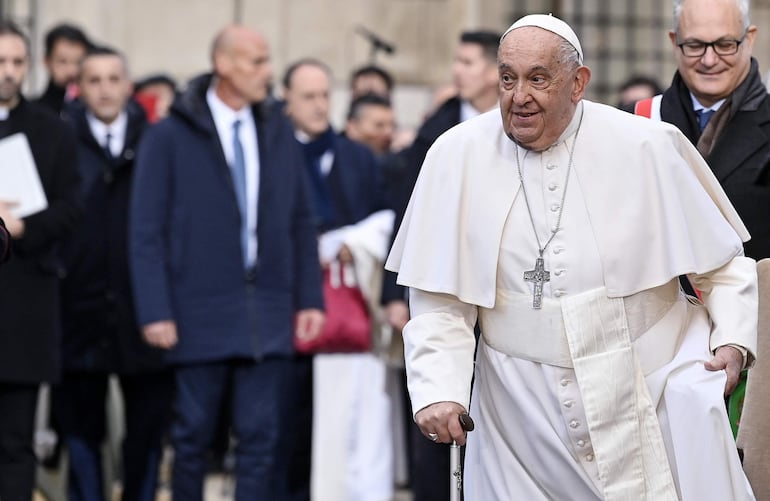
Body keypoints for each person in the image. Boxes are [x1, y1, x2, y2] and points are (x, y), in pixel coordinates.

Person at [386, 14, 757, 500]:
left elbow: (723, 266)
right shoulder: (455, 156)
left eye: (538, 79)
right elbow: (439, 301)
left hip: (648, 386)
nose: (519, 96)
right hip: (519, 411)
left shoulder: (646, 145)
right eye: (507, 78)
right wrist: (439, 389)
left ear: (578, 83)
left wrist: (731, 342)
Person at [129, 25, 324, 501]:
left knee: (262, 441)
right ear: (223, 65)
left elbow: (300, 218)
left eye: (266, 60)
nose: (267, 72)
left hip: (269, 313)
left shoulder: (276, 128)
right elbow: (145, 229)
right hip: (197, 312)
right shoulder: (170, 134)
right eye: (255, 62)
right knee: (193, 438)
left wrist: (309, 298)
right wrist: (155, 309)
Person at [379, 28, 500, 501]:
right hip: (444, 284)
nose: (457, 71)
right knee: (437, 403)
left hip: (507, 290)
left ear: (494, 70)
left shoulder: (529, 125)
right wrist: (395, 293)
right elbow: (406, 214)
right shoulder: (436, 129)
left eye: (468, 62)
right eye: (457, 61)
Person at [57, 46, 172, 501]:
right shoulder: (62, 141)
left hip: (143, 311)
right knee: (82, 432)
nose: (105, 89)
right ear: (79, 88)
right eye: (94, 80)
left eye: (113, 79)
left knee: (145, 433)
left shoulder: (156, 140)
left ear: (129, 86)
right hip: (78, 311)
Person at [279, 58, 391, 501]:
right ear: (287, 99)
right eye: (308, 96)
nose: (319, 105)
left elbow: (387, 217)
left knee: (349, 426)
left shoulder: (356, 157)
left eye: (325, 94)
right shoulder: (273, 153)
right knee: (290, 426)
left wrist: (352, 242)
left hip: (346, 310)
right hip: (286, 310)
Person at [0, 19, 82, 500]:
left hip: (24, 310)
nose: (8, 72)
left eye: (16, 62)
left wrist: (26, 227)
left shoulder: (52, 131)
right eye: (0, 62)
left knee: (14, 442)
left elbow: (72, 208)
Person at [636, 0, 770, 263]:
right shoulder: (637, 120)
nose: (709, 60)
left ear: (749, 39)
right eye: (695, 46)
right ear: (674, 41)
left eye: (725, 45)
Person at [35, 23, 92, 115]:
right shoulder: (34, 112)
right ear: (46, 61)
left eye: (78, 62)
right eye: (63, 61)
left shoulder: (93, 111)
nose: (72, 71)